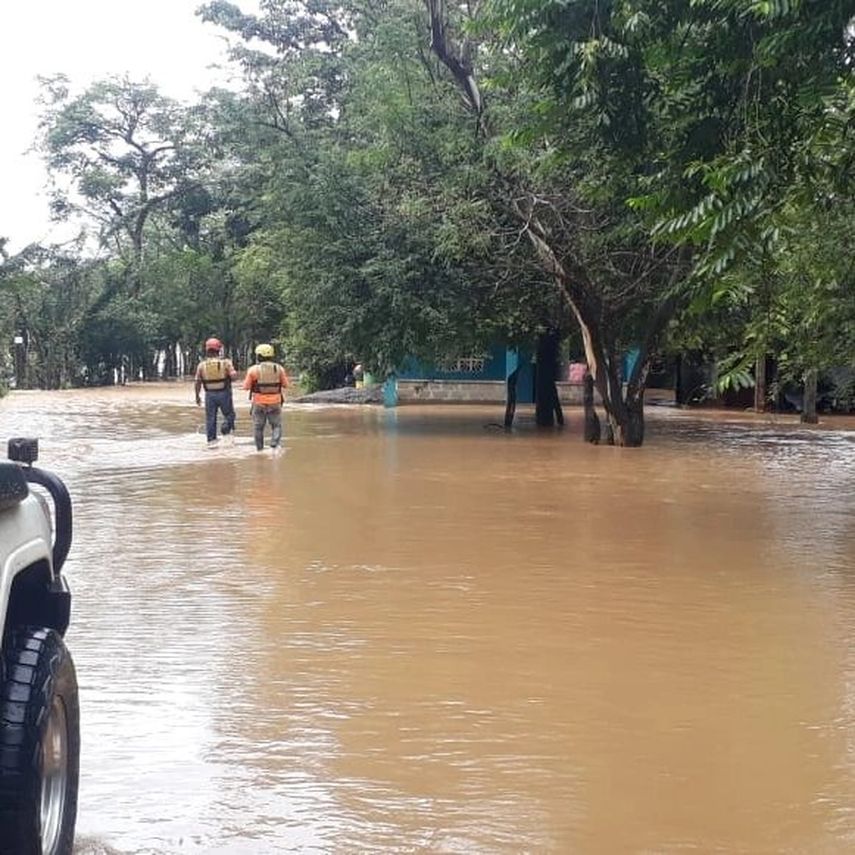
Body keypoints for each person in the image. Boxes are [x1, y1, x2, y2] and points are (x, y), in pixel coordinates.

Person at [243, 343, 289, 451]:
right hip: (275, 402)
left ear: (258, 356)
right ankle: (274, 443)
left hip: (258, 402)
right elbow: (286, 385)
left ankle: (260, 450)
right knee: (276, 425)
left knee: (258, 427)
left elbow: (246, 387)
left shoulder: (253, 370)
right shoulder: (279, 369)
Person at [195, 337, 237, 445]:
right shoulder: (226, 363)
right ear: (219, 350)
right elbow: (234, 377)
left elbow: (197, 382)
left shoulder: (201, 365)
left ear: (207, 350)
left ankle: (211, 442)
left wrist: (197, 396)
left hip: (209, 395)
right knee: (229, 415)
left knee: (210, 419)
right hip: (224, 394)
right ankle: (226, 429)